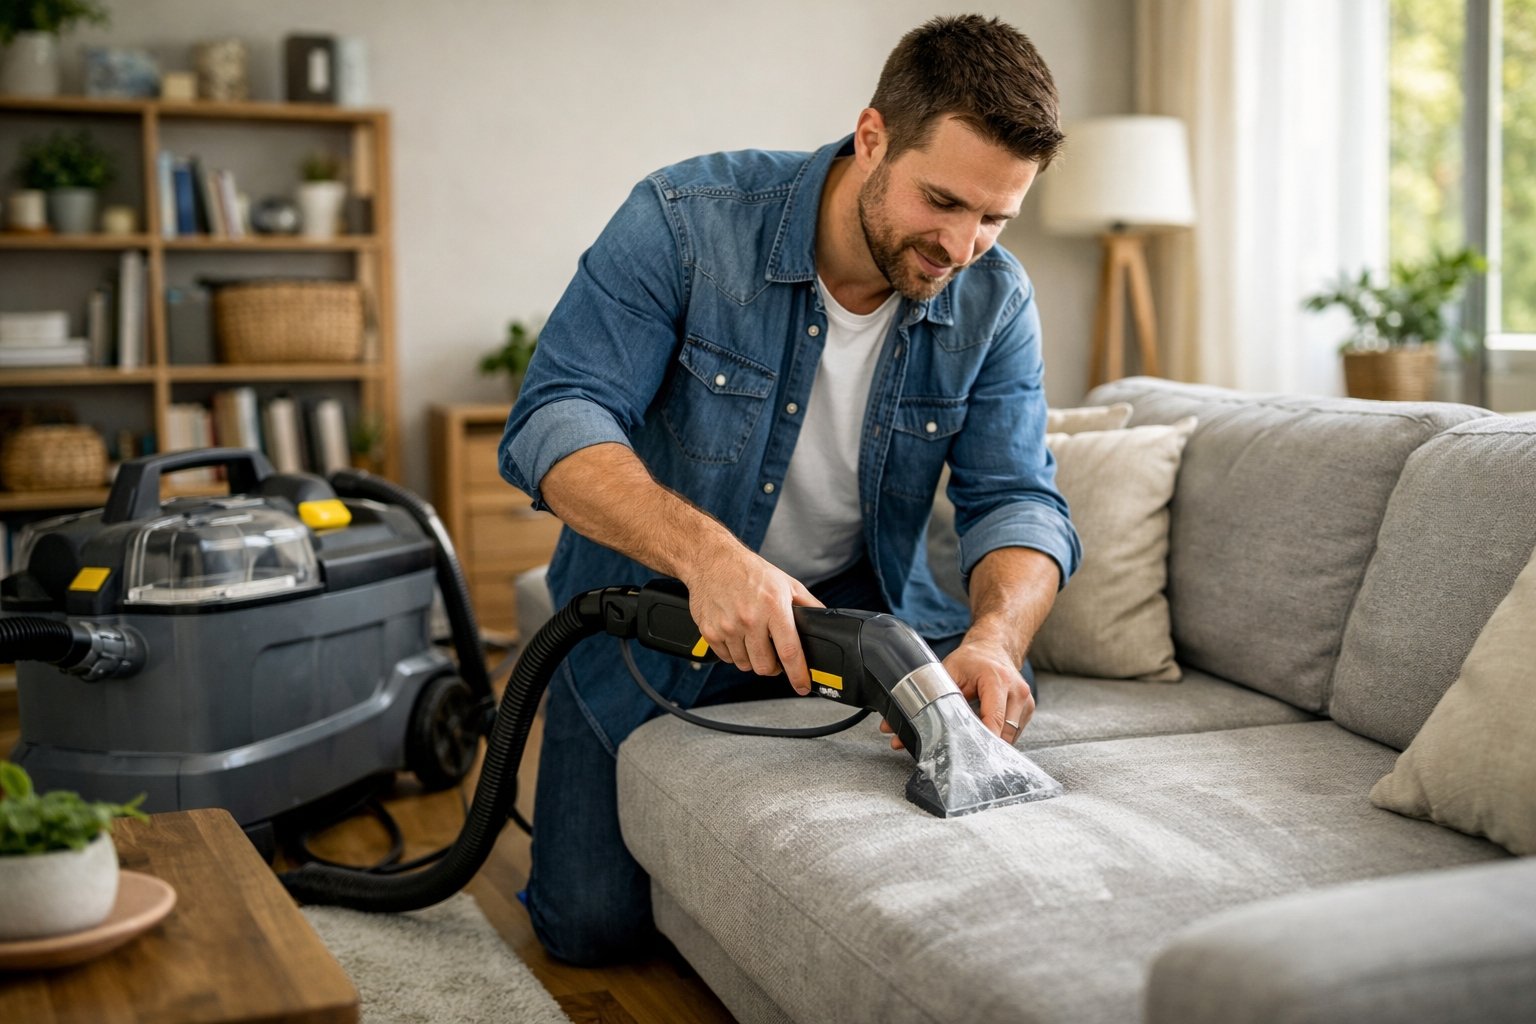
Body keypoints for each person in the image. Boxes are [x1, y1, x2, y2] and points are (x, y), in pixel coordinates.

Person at [498, 13, 1081, 965]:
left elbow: (1016, 499)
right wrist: (709, 558)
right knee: (588, 930)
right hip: (654, 613)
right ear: (872, 136)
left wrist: (994, 639)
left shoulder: (997, 297)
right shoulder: (685, 221)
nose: (961, 245)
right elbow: (554, 421)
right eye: (942, 201)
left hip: (853, 618)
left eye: (994, 216)